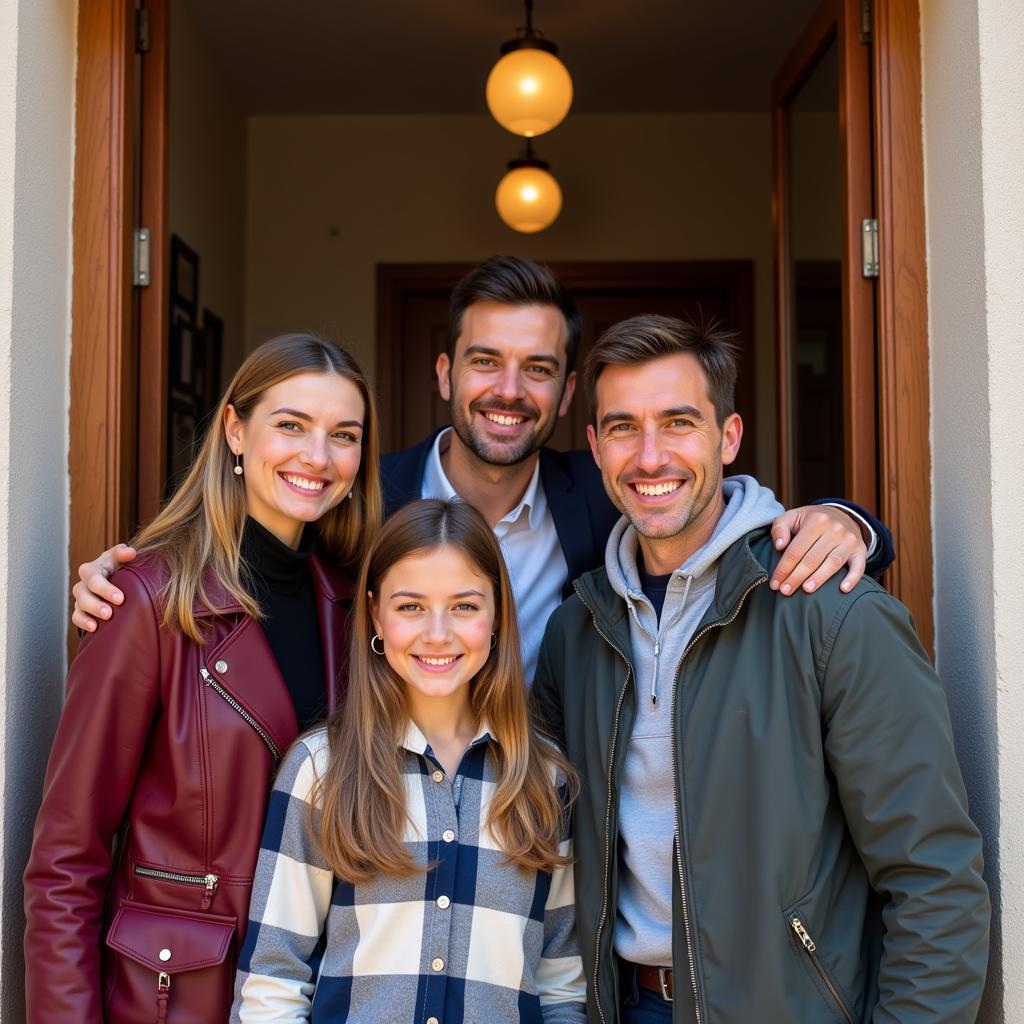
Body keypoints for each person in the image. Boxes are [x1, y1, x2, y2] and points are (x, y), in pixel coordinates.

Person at [71, 257, 894, 680]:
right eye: (485, 362)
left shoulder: (611, 501)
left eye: (537, 368)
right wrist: (132, 578)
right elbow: (250, 566)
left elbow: (719, 510)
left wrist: (846, 521)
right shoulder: (356, 499)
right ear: (444, 375)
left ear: (569, 392)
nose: (508, 391)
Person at [532, 314, 989, 1023]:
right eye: (623, 427)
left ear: (730, 435)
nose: (650, 457)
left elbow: (934, 878)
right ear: (594, 447)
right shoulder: (578, 632)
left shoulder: (832, 614)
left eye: (679, 422)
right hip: (626, 1006)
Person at [23, 333, 382, 1022]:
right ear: (234, 430)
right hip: (180, 999)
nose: (318, 456)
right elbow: (67, 861)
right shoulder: (148, 602)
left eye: (344, 435)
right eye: (291, 425)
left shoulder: (353, 608)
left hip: (317, 993)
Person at [230, 499, 585, 1023]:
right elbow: (274, 981)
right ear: (376, 613)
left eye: (464, 606)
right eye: (410, 606)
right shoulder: (321, 770)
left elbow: (560, 989)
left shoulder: (544, 780)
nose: (437, 633)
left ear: (497, 617)